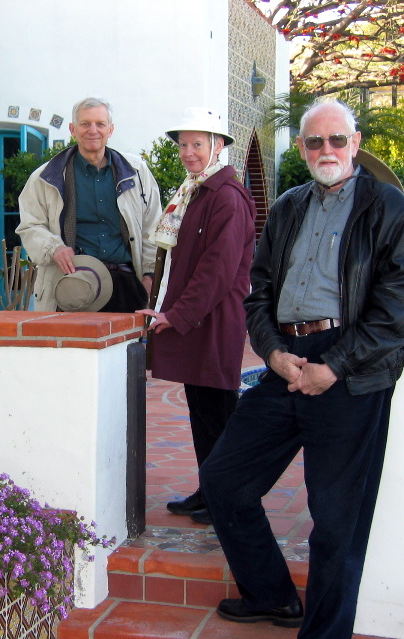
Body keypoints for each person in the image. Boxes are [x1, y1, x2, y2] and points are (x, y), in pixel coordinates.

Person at [198, 99, 404, 637]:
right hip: (286, 361)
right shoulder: (289, 206)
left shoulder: (386, 207)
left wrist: (334, 367)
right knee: (224, 480)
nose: (327, 151)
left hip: (351, 368)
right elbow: (259, 292)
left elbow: (396, 314)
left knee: (337, 518)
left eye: (337, 140)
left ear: (356, 143)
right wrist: (272, 353)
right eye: (315, 142)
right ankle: (271, 594)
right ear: (300, 148)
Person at [135, 107, 256, 525]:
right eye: (184, 144)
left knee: (219, 415)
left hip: (214, 323)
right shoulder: (196, 191)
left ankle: (226, 498)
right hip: (197, 321)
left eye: (197, 144)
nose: (188, 152)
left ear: (218, 146)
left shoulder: (226, 196)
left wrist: (178, 314)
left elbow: (217, 270)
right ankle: (210, 491)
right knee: (202, 412)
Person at [16, 97, 161, 312]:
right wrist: (54, 247)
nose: (93, 130)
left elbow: (153, 226)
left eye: (100, 124)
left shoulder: (137, 172)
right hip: (70, 286)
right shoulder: (45, 177)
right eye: (85, 124)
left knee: (129, 347)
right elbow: (29, 226)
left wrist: (150, 274)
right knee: (72, 346)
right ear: (73, 129)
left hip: (126, 287)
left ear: (110, 130)